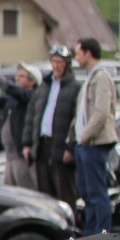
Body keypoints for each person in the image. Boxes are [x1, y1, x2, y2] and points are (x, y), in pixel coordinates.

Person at [23, 46, 81, 208]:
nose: (56, 65)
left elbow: (77, 120)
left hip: (61, 146)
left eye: (60, 62)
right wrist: (27, 143)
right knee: (44, 192)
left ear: (67, 64)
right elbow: (31, 114)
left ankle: (68, 223)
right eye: (53, 61)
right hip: (42, 144)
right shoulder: (44, 86)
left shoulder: (75, 87)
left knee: (64, 192)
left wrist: (70, 148)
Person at [72, 36, 118, 235]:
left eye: (78, 53)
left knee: (97, 193)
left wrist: (84, 137)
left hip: (94, 143)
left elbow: (101, 113)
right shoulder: (90, 78)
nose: (76, 57)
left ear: (88, 53)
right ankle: (90, 233)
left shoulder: (101, 77)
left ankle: (101, 233)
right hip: (84, 144)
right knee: (88, 194)